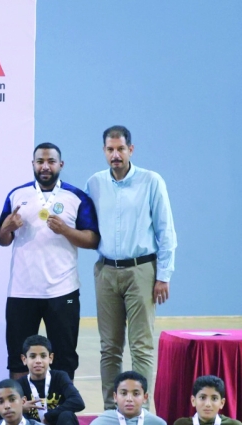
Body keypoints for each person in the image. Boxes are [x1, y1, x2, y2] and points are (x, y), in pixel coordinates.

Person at [86, 126, 177, 409]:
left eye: (120, 149)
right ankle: (112, 410)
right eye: (110, 150)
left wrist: (164, 275)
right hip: (106, 271)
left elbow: (166, 231)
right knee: (109, 348)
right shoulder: (95, 183)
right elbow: (87, 227)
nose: (115, 155)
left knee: (141, 346)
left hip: (142, 271)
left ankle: (141, 411)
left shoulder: (151, 181)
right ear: (104, 151)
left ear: (131, 150)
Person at [0, 143, 99, 379]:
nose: (45, 166)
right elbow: (2, 239)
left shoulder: (76, 197)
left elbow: (92, 239)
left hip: (62, 291)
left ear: (60, 165)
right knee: (19, 359)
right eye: (40, 161)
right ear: (33, 164)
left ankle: (61, 413)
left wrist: (66, 230)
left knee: (63, 357)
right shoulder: (17, 195)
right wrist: (7, 228)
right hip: (22, 291)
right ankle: (24, 413)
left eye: (51, 162)